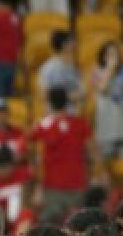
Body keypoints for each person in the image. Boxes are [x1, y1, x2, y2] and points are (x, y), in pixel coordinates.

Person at [30, 87, 97, 224]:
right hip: (77, 183)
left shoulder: (43, 125)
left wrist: (37, 186)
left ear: (49, 103)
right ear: (67, 102)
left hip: (52, 186)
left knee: (49, 227)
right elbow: (93, 153)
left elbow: (26, 149)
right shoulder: (80, 123)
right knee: (78, 225)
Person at [90, 41, 123, 160]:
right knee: (108, 171)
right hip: (106, 132)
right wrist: (109, 69)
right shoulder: (97, 72)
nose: (114, 57)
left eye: (116, 54)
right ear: (103, 57)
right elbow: (102, 88)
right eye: (110, 54)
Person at [37, 30, 83, 108]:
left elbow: (80, 91)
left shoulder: (73, 67)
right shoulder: (49, 68)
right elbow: (44, 94)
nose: (75, 44)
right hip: (56, 115)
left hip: (72, 114)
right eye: (71, 42)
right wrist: (68, 97)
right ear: (64, 45)